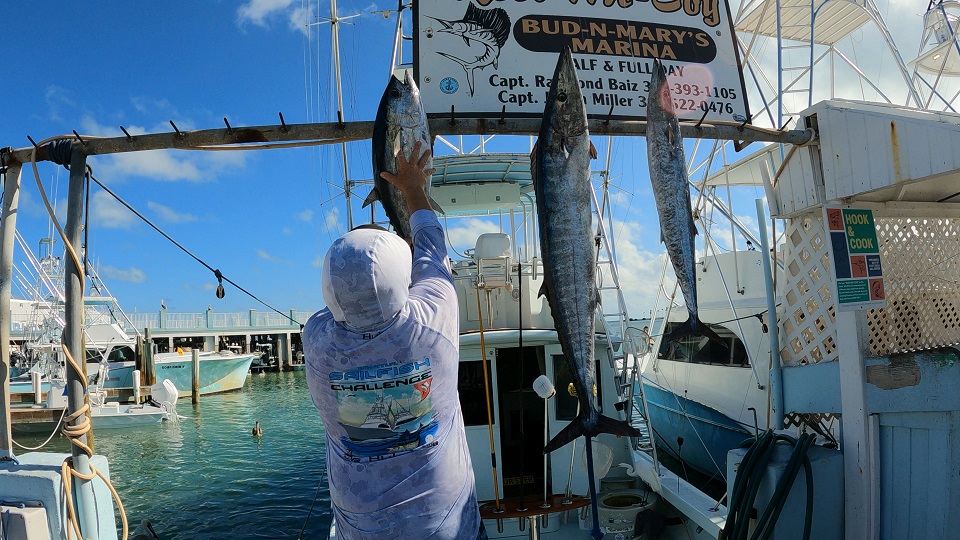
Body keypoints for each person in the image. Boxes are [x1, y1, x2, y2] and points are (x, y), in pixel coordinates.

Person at [303, 141, 484, 540]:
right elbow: (432, 248)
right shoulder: (432, 325)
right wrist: (414, 188)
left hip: (362, 530)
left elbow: (337, 305)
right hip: (447, 526)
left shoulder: (317, 344)